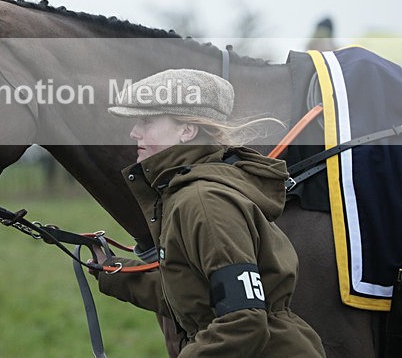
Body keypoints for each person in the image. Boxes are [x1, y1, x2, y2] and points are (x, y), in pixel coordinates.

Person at [95, 69, 324, 357]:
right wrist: (112, 271)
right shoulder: (184, 193)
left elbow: (243, 322)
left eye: (147, 121)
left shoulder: (203, 202)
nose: (134, 132)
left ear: (187, 131)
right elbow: (193, 295)